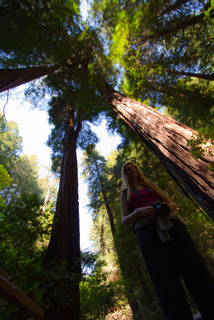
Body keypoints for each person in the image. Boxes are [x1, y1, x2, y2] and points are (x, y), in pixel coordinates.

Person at [120, 162, 214, 320]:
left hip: (173, 226)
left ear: (138, 169)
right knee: (164, 283)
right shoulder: (125, 194)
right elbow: (125, 222)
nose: (131, 170)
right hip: (147, 233)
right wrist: (139, 212)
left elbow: (173, 205)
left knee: (196, 270)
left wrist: (165, 207)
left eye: (133, 167)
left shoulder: (152, 185)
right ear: (125, 174)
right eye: (128, 170)